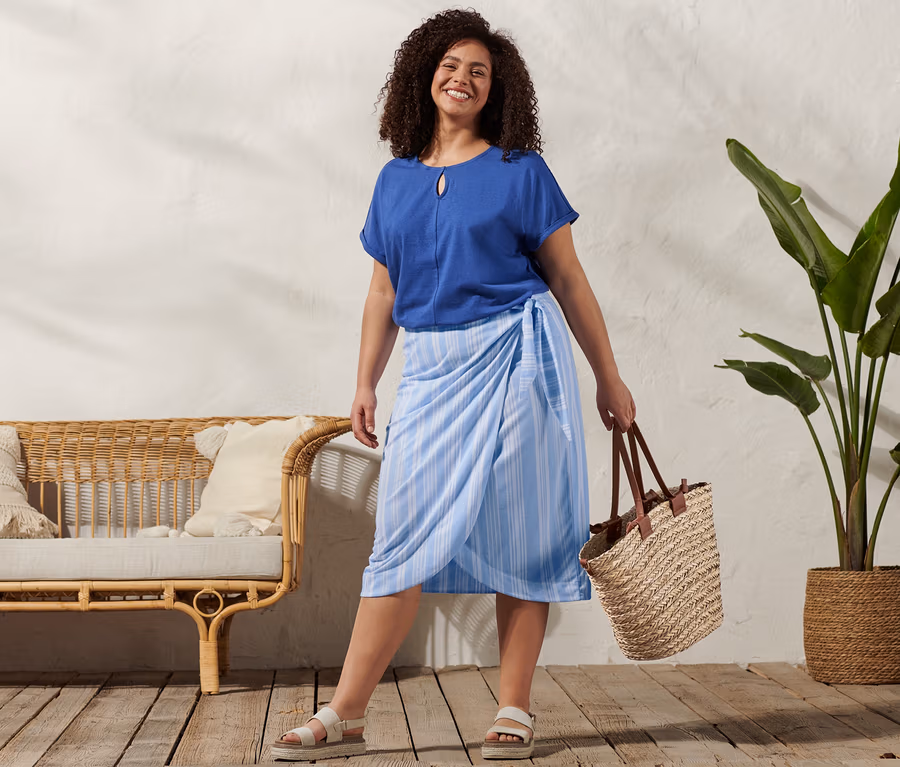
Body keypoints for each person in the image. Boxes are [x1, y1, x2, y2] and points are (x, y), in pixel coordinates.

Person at [271, 8, 635, 762]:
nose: (462, 78)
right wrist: (365, 382)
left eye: (479, 71)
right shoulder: (395, 181)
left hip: (518, 360)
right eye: (450, 65)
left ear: (497, 89)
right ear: (424, 76)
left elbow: (569, 280)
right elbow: (383, 292)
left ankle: (514, 707)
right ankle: (347, 712)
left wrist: (609, 378)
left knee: (525, 531)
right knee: (399, 538)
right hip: (432, 369)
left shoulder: (521, 172)